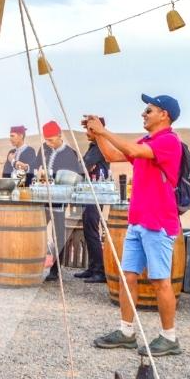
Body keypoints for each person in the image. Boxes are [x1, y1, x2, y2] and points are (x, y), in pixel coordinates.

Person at [90, 95, 184, 356]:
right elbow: (112, 154)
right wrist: (97, 135)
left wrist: (104, 130)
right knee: (128, 276)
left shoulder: (168, 141)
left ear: (164, 114)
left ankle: (169, 337)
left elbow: (132, 151)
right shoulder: (147, 142)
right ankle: (126, 332)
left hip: (158, 222)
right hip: (138, 221)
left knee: (160, 280)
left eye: (148, 110)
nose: (143, 114)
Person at [39, 120, 84, 283]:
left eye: (51, 140)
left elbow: (73, 177)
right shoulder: (44, 149)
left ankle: (55, 269)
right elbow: (37, 168)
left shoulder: (70, 153)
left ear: (59, 136)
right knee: (37, 230)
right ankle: (35, 264)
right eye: (46, 140)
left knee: (58, 234)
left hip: (59, 199)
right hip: (42, 198)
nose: (48, 143)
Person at [76, 119, 109, 284]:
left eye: (90, 129)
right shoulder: (93, 147)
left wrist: (84, 167)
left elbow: (82, 166)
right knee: (88, 230)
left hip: (96, 194)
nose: (86, 132)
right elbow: (82, 166)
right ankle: (92, 267)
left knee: (92, 231)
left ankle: (100, 271)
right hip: (89, 193)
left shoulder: (100, 148)